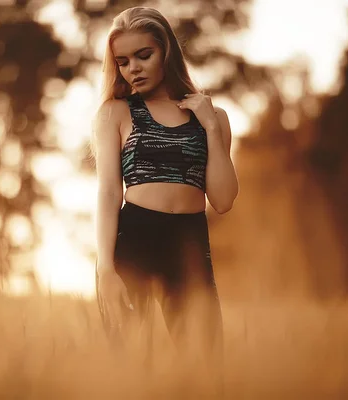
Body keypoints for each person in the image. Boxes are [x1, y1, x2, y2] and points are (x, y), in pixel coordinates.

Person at [91, 6, 239, 366]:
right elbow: (109, 193)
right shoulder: (115, 112)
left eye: (144, 55)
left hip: (189, 242)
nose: (133, 68)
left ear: (166, 51)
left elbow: (222, 200)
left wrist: (211, 129)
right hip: (135, 240)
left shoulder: (212, 117)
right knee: (130, 370)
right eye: (123, 61)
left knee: (207, 370)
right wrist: (105, 269)